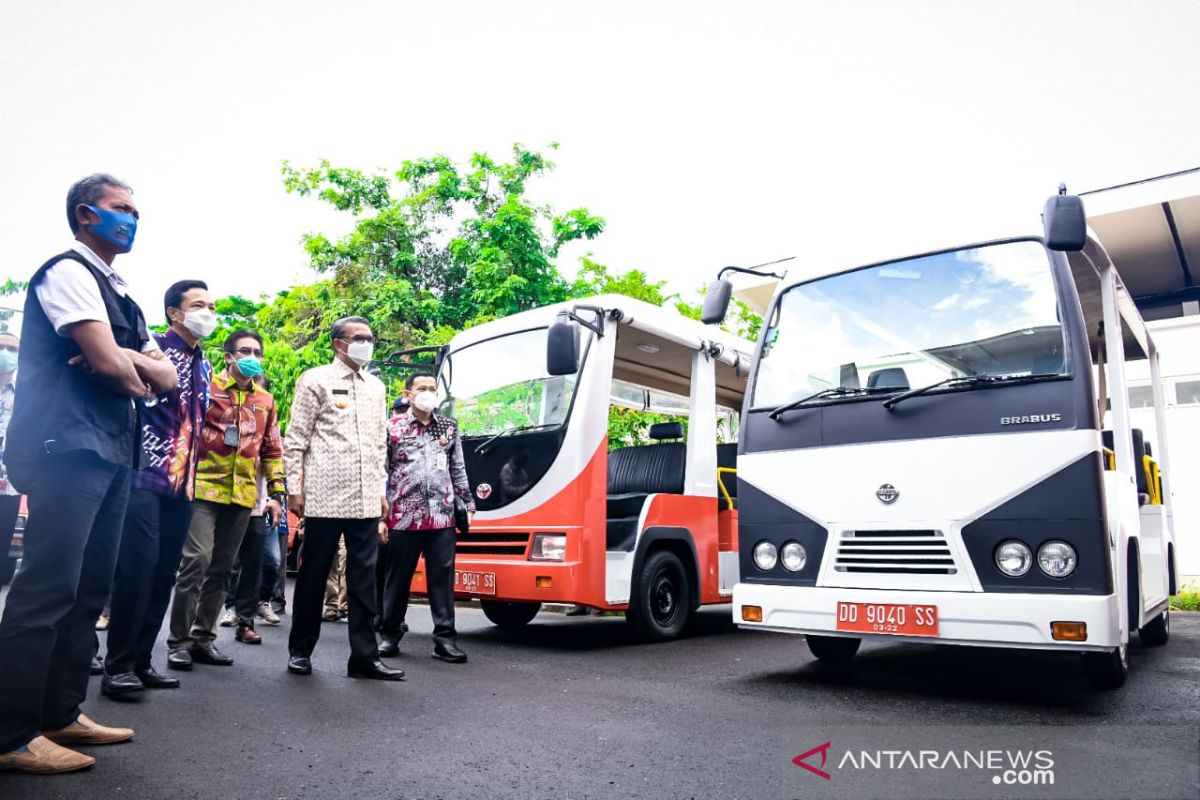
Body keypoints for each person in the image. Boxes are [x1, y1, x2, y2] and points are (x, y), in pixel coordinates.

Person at [0, 174, 177, 774]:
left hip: (110, 450)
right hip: (65, 447)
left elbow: (167, 379)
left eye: (135, 210)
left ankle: (59, 712)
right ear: (85, 215)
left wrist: (125, 363)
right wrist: (130, 367)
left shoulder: (119, 291)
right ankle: (9, 732)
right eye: (120, 209)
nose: (132, 219)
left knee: (88, 588)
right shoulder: (67, 272)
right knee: (47, 587)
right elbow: (111, 366)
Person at [100, 280, 215, 698]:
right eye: (199, 304)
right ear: (174, 313)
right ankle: (117, 667)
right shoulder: (155, 351)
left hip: (182, 485)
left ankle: (142, 660)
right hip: (143, 476)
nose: (209, 311)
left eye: (212, 305)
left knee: (164, 572)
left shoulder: (204, 363)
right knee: (137, 568)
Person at [284, 316, 399, 680]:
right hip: (323, 497)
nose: (367, 343)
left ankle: (364, 658)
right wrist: (293, 489)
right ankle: (300, 652)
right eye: (358, 338)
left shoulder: (376, 387)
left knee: (364, 581)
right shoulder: (315, 379)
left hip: (365, 499)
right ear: (338, 343)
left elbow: (380, 444)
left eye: (370, 337)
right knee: (314, 577)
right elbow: (297, 438)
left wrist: (382, 493)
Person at [166, 330, 284, 668]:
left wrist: (276, 494)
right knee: (196, 561)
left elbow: (272, 449)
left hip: (243, 493)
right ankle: (179, 642)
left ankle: (204, 638)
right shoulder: (207, 389)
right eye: (244, 351)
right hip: (203, 487)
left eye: (257, 352)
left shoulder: (265, 401)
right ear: (229, 357)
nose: (252, 357)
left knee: (221, 570)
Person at [379, 372, 475, 664]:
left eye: (433, 388)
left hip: (442, 516)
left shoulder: (449, 427)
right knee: (398, 578)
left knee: (442, 579)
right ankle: (389, 635)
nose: (428, 393)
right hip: (403, 516)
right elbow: (380, 471)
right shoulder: (392, 427)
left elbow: (457, 468)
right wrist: (379, 515)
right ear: (408, 394)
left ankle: (445, 640)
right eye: (422, 388)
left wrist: (468, 503)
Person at [0, 331, 21, 587]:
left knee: (5, 539)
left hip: (10, 481)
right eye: (2, 347)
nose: (6, 354)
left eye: (13, 350)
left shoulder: (26, 393)